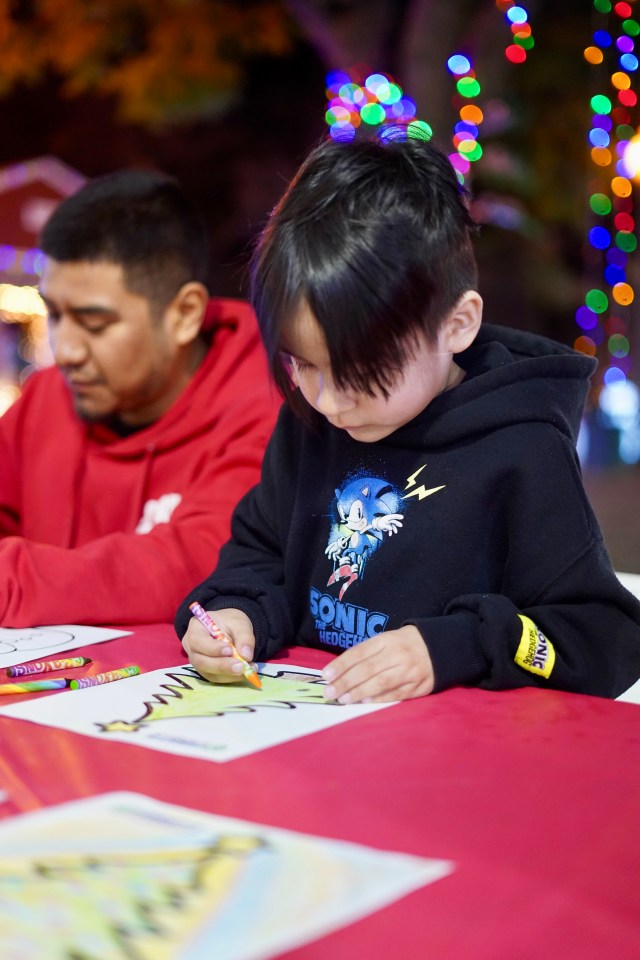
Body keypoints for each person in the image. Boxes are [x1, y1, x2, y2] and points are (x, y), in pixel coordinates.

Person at [175, 130, 640, 702]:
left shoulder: (522, 449)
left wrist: (450, 647)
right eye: (303, 365)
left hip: (454, 768)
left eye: (361, 373)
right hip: (305, 742)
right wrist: (237, 614)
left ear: (456, 325)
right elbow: (259, 552)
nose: (329, 401)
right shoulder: (310, 422)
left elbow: (603, 636)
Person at [0, 169, 281, 626]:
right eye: (54, 314)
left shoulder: (268, 404)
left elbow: (204, 564)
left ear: (184, 313)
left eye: (94, 323)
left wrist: (15, 583)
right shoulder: (49, 395)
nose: (65, 350)